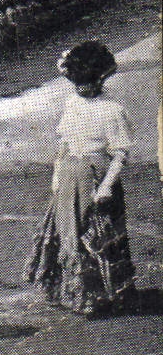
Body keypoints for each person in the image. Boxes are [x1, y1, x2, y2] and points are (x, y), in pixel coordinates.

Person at [26, 40, 137, 316]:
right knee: (68, 235)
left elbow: (120, 154)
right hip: (68, 176)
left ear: (99, 80)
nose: (82, 89)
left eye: (87, 83)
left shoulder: (113, 110)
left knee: (97, 234)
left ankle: (103, 294)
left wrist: (107, 187)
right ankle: (73, 292)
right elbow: (64, 143)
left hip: (96, 179)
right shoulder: (73, 102)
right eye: (78, 84)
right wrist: (56, 176)